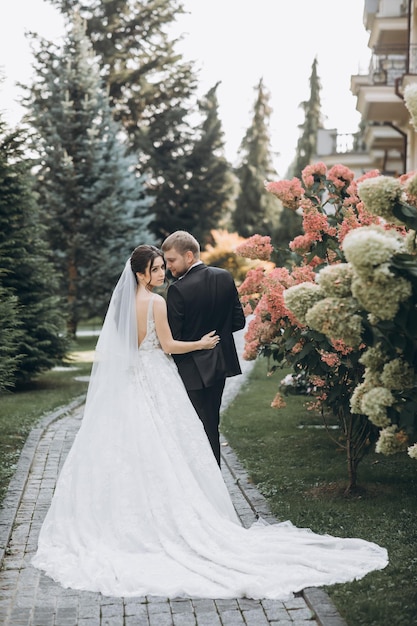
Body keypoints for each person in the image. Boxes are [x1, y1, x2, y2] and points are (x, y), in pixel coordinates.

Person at [32, 244, 388, 600]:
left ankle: (121, 521)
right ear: (141, 274)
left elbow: (124, 347)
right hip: (157, 375)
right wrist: (200, 343)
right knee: (168, 442)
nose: (162, 274)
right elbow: (168, 346)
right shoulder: (156, 302)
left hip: (131, 379)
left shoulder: (124, 304)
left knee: (133, 446)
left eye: (162, 267)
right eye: (156, 269)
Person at [161, 231, 245, 465]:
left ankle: (206, 482)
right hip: (220, 365)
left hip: (190, 370)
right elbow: (239, 322)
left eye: (171, 260)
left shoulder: (178, 290)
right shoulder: (224, 277)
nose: (168, 267)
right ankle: (213, 477)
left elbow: (173, 338)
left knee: (196, 428)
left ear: (189, 256)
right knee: (211, 424)